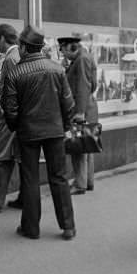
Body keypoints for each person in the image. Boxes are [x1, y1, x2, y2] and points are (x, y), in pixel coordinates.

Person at [1, 25, 77, 241]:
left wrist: (17, 127)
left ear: (24, 47)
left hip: (28, 132)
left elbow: (10, 109)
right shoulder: (57, 69)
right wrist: (64, 125)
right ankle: (68, 226)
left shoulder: (15, 72)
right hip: (54, 131)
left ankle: (31, 228)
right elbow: (68, 103)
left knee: (30, 179)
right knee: (59, 178)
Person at [0, 23, 21, 213]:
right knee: (19, 159)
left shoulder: (10, 59)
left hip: (9, 118)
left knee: (2, 159)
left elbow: (10, 92)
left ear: (2, 39)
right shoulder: (19, 55)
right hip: (18, 117)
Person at [59, 35, 99, 195]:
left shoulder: (81, 59)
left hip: (81, 110)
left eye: (63, 51)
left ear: (71, 47)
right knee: (87, 145)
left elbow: (83, 85)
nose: (64, 55)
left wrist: (80, 112)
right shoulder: (85, 57)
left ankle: (79, 184)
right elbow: (92, 85)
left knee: (78, 147)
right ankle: (88, 181)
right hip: (89, 107)